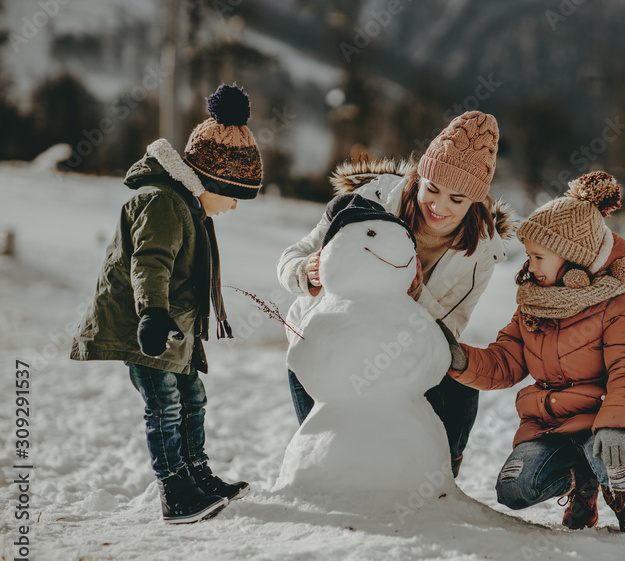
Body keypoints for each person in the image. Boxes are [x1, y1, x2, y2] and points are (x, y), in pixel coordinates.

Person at [277, 111, 512, 477]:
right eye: (432, 188)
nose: (440, 206)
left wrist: (412, 293)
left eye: (457, 198)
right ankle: (322, 470)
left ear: (475, 202)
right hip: (330, 335)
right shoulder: (370, 200)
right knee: (330, 445)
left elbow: (448, 329)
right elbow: (293, 255)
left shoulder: (481, 252)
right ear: (419, 177)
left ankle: (437, 474)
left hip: (403, 345)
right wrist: (306, 271)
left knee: (461, 383)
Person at [70, 85, 258, 524]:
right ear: (213, 179)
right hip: (149, 328)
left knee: (192, 397)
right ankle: (175, 491)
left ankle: (196, 475)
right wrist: (153, 312)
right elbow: (149, 263)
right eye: (235, 194)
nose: (234, 206)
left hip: (175, 329)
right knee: (165, 405)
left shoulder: (187, 206)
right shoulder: (163, 203)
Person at [443, 172, 625, 532]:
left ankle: (622, 491)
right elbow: (505, 361)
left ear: (573, 261)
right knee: (514, 488)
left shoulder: (617, 307)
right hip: (549, 426)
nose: (531, 266)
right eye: (530, 256)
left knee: (612, 459)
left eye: (540, 257)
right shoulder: (531, 307)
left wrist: (617, 426)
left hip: (604, 422)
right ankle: (581, 484)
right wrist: (461, 360)